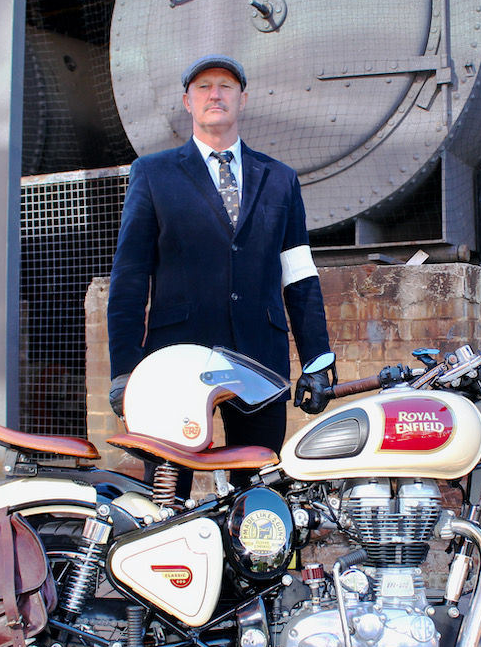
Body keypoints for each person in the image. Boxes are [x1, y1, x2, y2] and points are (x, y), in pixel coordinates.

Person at [107, 54, 335, 493]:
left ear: (242, 99)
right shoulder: (152, 174)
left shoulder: (280, 178)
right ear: (187, 101)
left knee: (259, 491)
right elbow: (130, 277)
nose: (215, 94)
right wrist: (124, 369)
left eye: (226, 86)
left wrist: (317, 360)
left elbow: (299, 276)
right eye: (204, 87)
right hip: (175, 359)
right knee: (167, 493)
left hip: (260, 358)